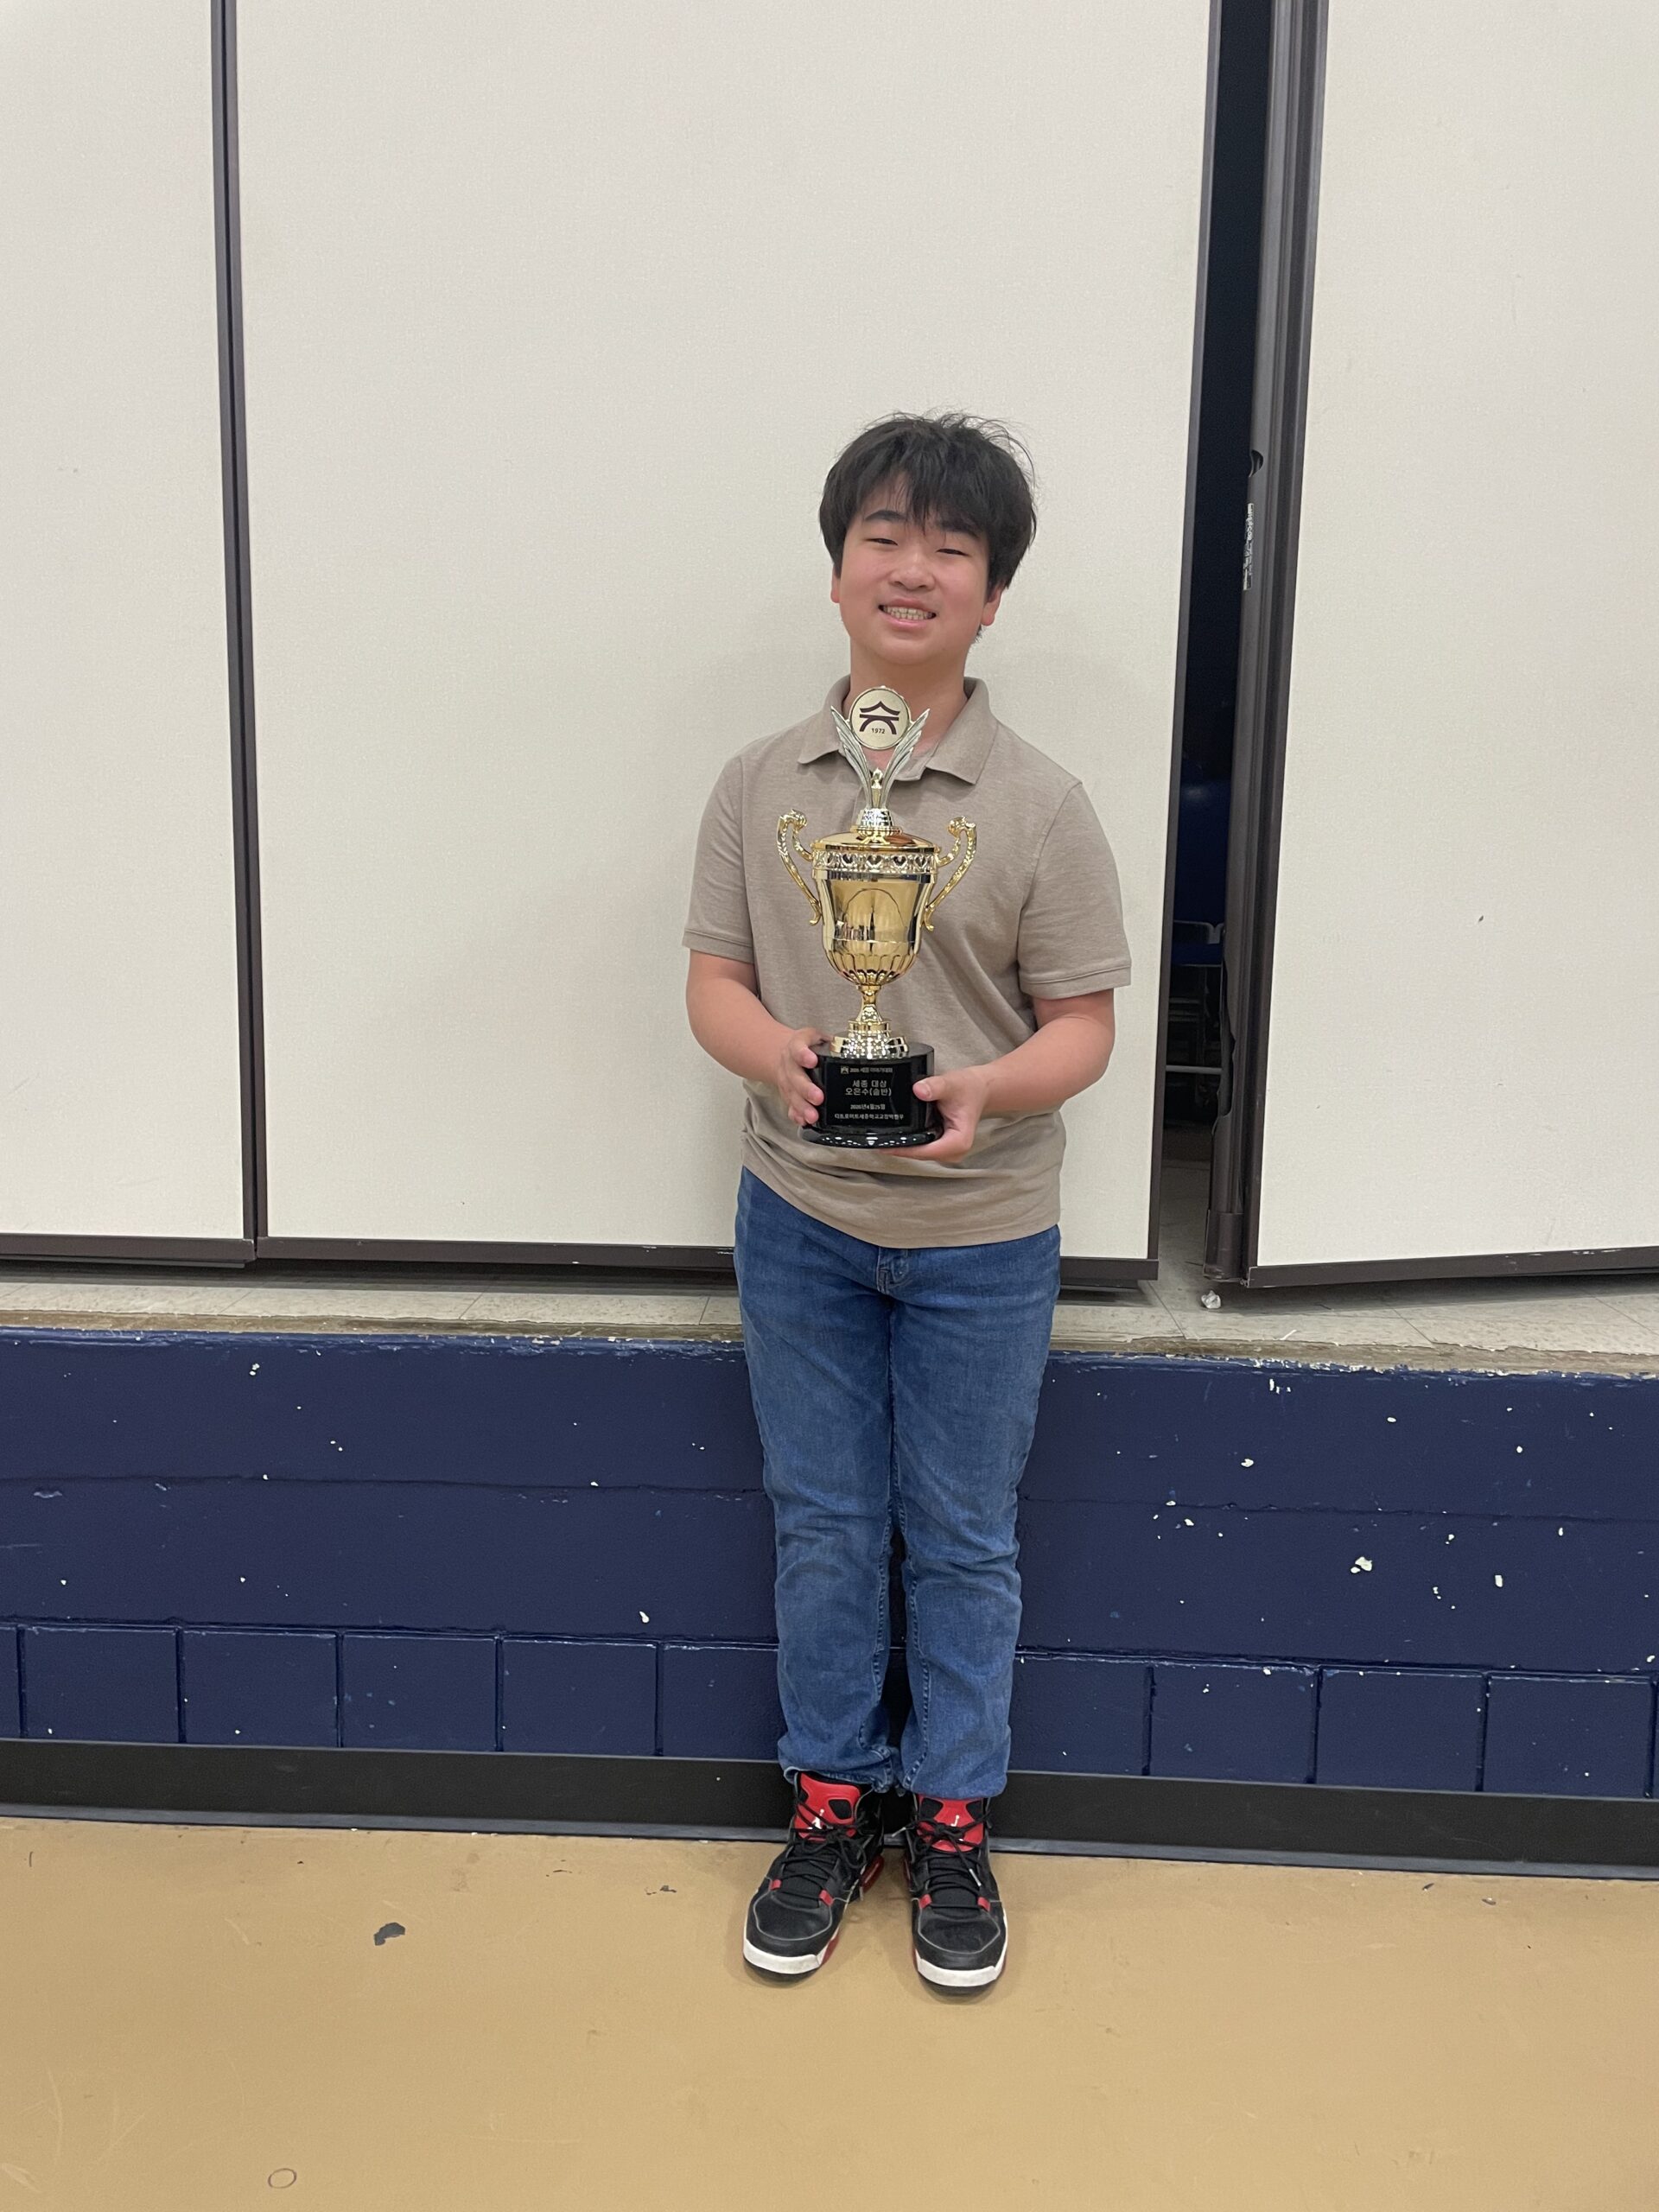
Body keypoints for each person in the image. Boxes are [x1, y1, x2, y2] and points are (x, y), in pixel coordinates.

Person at [682, 412, 1131, 1989]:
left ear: (994, 595)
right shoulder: (759, 785)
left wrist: (989, 1091)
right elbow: (715, 984)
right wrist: (781, 1058)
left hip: (982, 1238)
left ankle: (948, 1812)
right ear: (837, 571)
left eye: (952, 546)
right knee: (821, 1527)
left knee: (959, 1536)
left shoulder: (1045, 804)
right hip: (799, 1218)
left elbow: (1084, 1025)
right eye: (884, 534)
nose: (913, 567)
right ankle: (830, 1800)